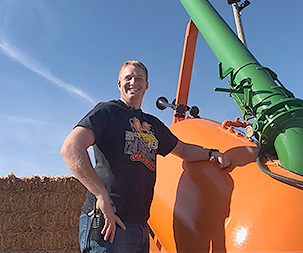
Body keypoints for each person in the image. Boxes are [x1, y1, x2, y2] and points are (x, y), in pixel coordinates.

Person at [61, 60, 231, 253]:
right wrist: (101, 196)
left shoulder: (153, 124)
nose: (133, 82)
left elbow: (183, 150)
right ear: (119, 84)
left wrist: (211, 153)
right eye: (128, 78)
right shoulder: (107, 112)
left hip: (140, 227)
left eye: (139, 78)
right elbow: (70, 148)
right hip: (111, 224)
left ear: (146, 85)